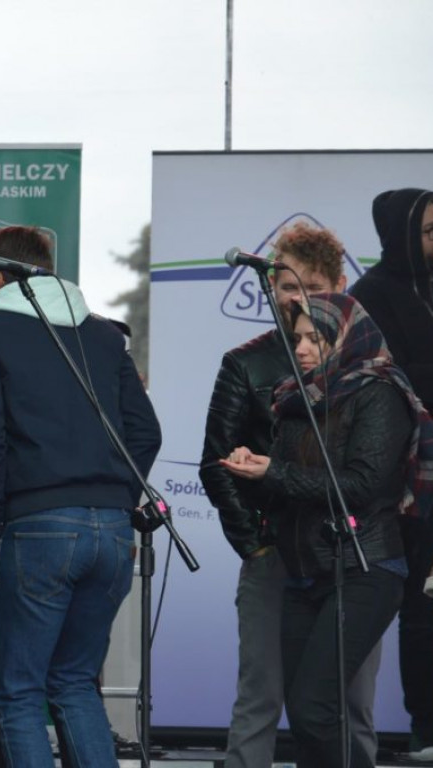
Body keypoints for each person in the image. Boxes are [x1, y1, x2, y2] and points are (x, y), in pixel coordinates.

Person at [0, 225, 161, 767]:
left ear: (0, 276)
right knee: (74, 683)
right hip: (115, 534)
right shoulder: (102, 335)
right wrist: (116, 493)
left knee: (20, 694)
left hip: (38, 525)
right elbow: (146, 433)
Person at [221, 292, 433, 768]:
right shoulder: (295, 399)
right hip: (303, 572)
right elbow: (290, 485)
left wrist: (271, 471)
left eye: (315, 338)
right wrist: (251, 468)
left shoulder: (379, 392)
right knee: (306, 713)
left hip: (364, 567)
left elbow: (360, 485)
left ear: (348, 338)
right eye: (296, 338)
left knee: (316, 710)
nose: (300, 349)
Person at [199, 222, 381, 768]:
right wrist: (255, 544)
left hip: (348, 555)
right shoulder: (247, 361)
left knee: (350, 703)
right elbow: (217, 463)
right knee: (261, 697)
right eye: (284, 286)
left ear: (340, 283)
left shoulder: (369, 364)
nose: (295, 298)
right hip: (275, 550)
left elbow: (376, 470)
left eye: (310, 285)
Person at [350, 187, 433, 759]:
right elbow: (378, 386)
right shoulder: (370, 297)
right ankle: (428, 728)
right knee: (423, 604)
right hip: (410, 480)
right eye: (428, 232)